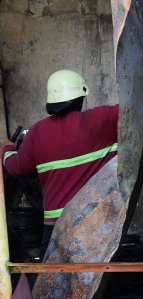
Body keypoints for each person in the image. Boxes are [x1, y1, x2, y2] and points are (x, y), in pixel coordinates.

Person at [1, 69, 119, 257]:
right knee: (94, 279)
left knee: (50, 282)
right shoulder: (103, 119)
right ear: (81, 97)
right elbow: (134, 110)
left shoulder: (37, 132)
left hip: (56, 228)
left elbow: (17, 168)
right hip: (93, 222)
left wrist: (7, 149)